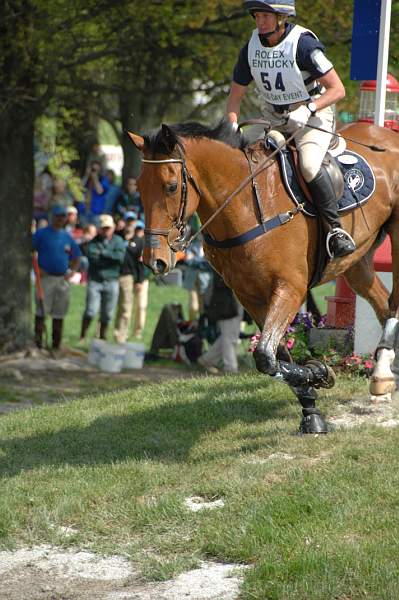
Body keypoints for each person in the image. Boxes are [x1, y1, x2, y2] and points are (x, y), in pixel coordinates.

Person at [226, 0, 356, 259]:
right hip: (274, 119)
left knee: (308, 165)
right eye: (257, 16)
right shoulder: (250, 48)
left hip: (313, 116)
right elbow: (235, 94)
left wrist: (308, 108)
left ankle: (335, 229)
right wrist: (231, 124)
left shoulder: (303, 44)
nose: (260, 22)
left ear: (281, 18)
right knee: (252, 163)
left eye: (265, 16)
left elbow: (338, 90)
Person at [32, 205, 82, 354]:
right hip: (45, 278)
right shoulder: (41, 234)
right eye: (57, 216)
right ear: (51, 217)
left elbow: (76, 256)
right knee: (41, 311)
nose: (60, 219)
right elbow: (30, 251)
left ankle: (55, 345)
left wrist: (72, 271)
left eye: (62, 216)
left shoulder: (67, 237)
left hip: (62, 279)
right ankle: (38, 344)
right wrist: (36, 269)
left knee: (59, 313)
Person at [79, 214, 126, 342]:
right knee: (91, 311)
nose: (106, 230)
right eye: (104, 228)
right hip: (95, 280)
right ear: (99, 228)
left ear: (113, 228)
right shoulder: (93, 242)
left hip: (112, 281)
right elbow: (92, 257)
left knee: (107, 314)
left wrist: (103, 254)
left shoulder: (119, 241)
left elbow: (120, 258)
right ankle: (83, 335)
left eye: (108, 228)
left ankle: (102, 337)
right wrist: (110, 257)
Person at [198, 270, 243, 374]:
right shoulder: (225, 263)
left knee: (229, 336)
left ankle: (207, 359)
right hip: (226, 303)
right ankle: (231, 368)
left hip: (234, 301)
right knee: (230, 337)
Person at [114, 219, 149, 342]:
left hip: (128, 277)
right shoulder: (117, 237)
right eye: (127, 221)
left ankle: (121, 336)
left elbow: (140, 264)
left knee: (126, 308)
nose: (128, 224)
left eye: (131, 222)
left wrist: (139, 280)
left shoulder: (139, 242)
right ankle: (101, 333)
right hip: (113, 276)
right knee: (111, 307)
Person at [82, 160, 110, 224]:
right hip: (84, 211)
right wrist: (86, 175)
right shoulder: (86, 179)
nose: (93, 172)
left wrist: (95, 178)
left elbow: (99, 191)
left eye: (96, 170)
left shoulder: (103, 179)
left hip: (96, 213)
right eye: (92, 169)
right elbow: (79, 189)